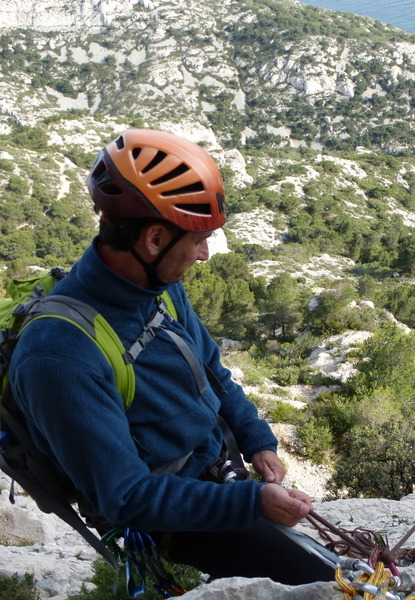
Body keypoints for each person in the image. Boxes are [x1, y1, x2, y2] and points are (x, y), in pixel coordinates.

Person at [8, 129, 334, 584]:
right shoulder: (58, 357)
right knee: (325, 585)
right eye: (198, 241)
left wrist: (256, 437)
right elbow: (123, 496)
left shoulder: (157, 287)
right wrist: (250, 503)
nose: (204, 255)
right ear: (155, 239)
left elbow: (212, 372)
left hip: (218, 464)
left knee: (332, 568)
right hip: (171, 509)